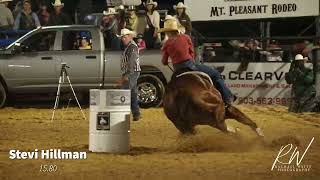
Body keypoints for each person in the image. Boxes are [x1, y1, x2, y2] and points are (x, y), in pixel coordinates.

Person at [159, 19, 235, 107]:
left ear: (168, 32)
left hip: (177, 70)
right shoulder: (186, 37)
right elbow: (192, 53)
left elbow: (164, 61)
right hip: (190, 66)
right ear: (176, 29)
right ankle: (228, 97)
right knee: (216, 74)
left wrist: (169, 61)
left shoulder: (167, 44)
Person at [118, 28, 141, 121]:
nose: (123, 39)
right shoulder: (130, 46)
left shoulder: (132, 47)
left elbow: (131, 63)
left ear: (130, 36)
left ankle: (123, 115)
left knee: (125, 92)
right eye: (122, 37)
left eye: (125, 37)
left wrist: (126, 76)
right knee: (132, 94)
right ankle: (136, 114)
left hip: (131, 72)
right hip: (132, 72)